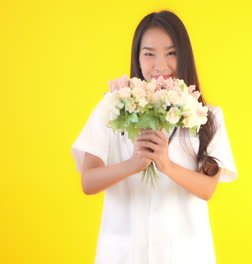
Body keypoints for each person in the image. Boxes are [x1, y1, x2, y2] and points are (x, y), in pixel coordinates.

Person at [71, 10, 238, 264]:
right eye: (149, 53)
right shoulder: (112, 107)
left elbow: (207, 189)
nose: (160, 65)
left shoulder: (207, 115)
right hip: (124, 252)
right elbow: (89, 182)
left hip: (184, 254)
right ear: (137, 57)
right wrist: (133, 164)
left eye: (171, 53)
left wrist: (166, 164)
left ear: (185, 56)